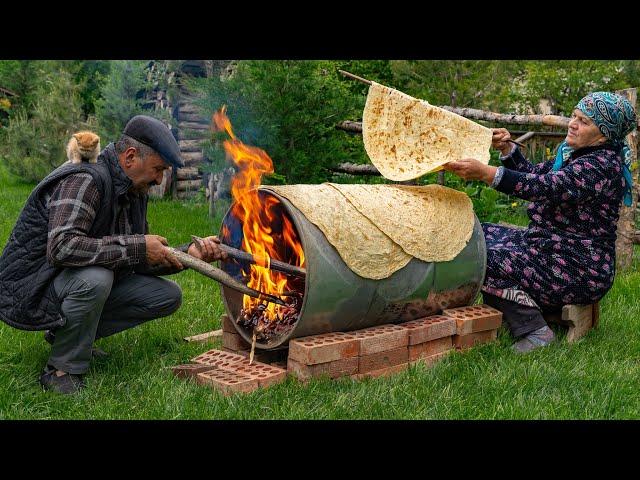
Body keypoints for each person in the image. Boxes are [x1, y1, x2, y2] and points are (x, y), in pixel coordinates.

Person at [0, 115, 228, 394]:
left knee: (167, 295)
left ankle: (74, 338)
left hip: (66, 280)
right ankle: (61, 370)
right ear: (130, 156)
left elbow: (138, 258)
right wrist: (139, 246)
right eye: (158, 169)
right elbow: (62, 247)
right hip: (32, 287)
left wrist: (188, 254)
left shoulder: (133, 189)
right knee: (96, 278)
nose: (159, 180)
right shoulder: (85, 178)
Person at [443, 92, 637, 352]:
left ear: (604, 134)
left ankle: (534, 330)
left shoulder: (599, 166)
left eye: (584, 121)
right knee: (473, 235)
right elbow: (535, 173)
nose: (573, 123)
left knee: (482, 259)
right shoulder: (578, 154)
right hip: (549, 247)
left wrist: (486, 173)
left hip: (577, 267)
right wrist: (508, 149)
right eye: (574, 116)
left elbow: (544, 187)